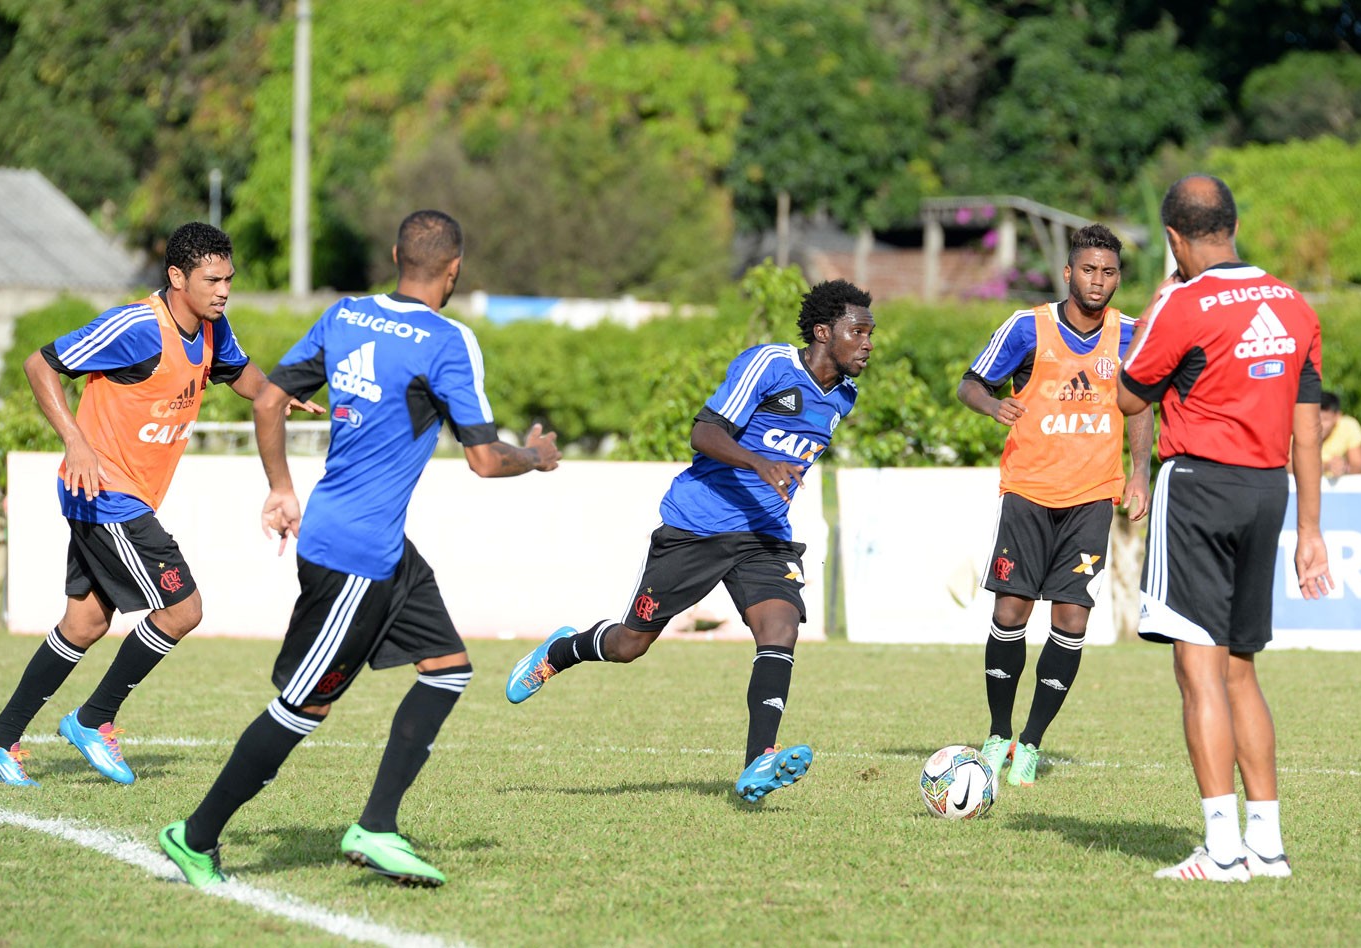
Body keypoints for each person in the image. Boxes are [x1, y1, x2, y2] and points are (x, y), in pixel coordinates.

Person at [159, 210, 560, 889]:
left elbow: (269, 402)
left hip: (378, 545)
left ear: (396, 252)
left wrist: (282, 487)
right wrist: (538, 455)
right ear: (454, 270)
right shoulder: (448, 341)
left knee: (448, 668)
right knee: (302, 708)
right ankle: (194, 837)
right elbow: (487, 462)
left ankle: (376, 827)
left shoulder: (347, 315)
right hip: (354, 556)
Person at [0, 222, 319, 787]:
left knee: (83, 624)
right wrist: (75, 441)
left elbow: (240, 376)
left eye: (229, 278)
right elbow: (41, 365)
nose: (224, 290)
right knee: (184, 609)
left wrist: (280, 393)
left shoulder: (211, 329)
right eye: (212, 280)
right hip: (106, 494)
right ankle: (94, 719)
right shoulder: (137, 327)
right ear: (177, 277)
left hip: (123, 496)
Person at [504, 279, 875, 803]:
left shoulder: (844, 397)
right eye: (856, 331)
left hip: (764, 536)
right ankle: (561, 650)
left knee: (780, 628)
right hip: (697, 526)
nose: (867, 343)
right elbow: (703, 432)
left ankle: (757, 763)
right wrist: (757, 461)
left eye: (869, 333)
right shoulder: (769, 364)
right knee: (630, 644)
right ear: (822, 332)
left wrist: (771, 479)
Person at [1118, 175, 1332, 882]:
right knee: (1240, 669)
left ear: (1175, 239)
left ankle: (1221, 851)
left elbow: (1128, 393)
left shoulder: (1182, 301)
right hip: (1269, 492)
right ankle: (1267, 847)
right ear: (1233, 224)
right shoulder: (1294, 305)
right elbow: (1307, 429)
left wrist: (1154, 305)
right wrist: (1310, 532)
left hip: (1200, 488)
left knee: (1197, 668)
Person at [957, 223, 1152, 791]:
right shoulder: (1027, 326)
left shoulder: (1131, 334)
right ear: (1068, 272)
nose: (1098, 281)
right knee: (1011, 612)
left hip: (1092, 497)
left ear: (1118, 277)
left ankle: (1032, 744)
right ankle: (998, 733)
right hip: (1028, 492)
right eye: (1088, 270)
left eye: (1109, 271)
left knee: (1071, 619)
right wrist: (992, 406)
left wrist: (1140, 472)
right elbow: (970, 383)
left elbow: (1139, 406)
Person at [1319, 390, 1361, 477]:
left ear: (1337, 416)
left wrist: (1345, 468)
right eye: (1315, 419)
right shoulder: (1299, 426)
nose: (1320, 425)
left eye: (1325, 419)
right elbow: (1290, 466)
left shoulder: (1348, 425)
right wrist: (1326, 466)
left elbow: (1359, 466)